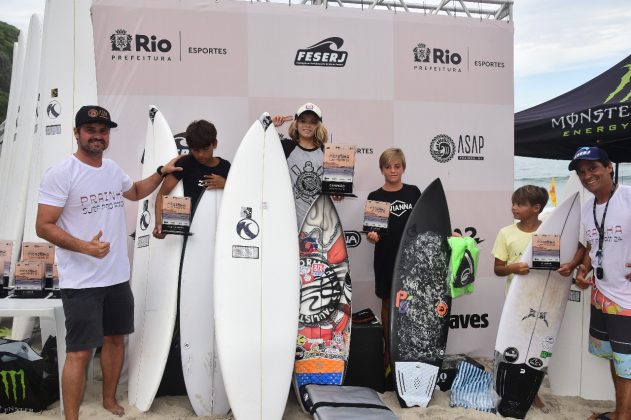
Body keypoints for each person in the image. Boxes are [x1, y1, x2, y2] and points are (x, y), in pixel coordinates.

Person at [35, 105, 181, 420]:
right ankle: (71, 417)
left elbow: (137, 192)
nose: (98, 136)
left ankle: (109, 399)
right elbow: (43, 225)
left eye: (103, 130)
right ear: (76, 133)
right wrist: (84, 247)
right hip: (82, 282)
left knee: (115, 340)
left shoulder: (113, 169)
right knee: (79, 353)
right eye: (90, 130)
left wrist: (161, 172)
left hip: (116, 277)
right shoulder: (61, 173)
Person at [491, 184, 584, 411]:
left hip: (546, 303)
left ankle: (534, 394)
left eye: (520, 204)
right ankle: (506, 391)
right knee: (514, 348)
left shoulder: (552, 233)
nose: (514, 208)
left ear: (536, 208)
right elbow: (498, 269)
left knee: (538, 350)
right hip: (517, 304)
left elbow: (581, 248)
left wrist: (571, 266)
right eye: (513, 203)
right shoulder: (506, 233)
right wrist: (514, 268)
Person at [570, 147, 631, 420]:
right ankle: (621, 412)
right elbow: (593, 246)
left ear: (609, 167)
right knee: (616, 361)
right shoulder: (588, 208)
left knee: (627, 365)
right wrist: (582, 270)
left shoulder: (628, 196)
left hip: (627, 300)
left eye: (593, 168)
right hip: (602, 296)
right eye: (582, 172)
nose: (587, 175)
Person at [365, 148, 421, 378]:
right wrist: (372, 236)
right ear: (382, 170)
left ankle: (406, 351)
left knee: (408, 304)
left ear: (403, 168)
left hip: (411, 259)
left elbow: (425, 221)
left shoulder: (414, 192)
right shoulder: (374, 196)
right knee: (388, 303)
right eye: (388, 167)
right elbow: (371, 230)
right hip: (386, 258)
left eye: (397, 166)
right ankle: (388, 353)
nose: (393, 170)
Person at [153, 119, 230, 239]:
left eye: (205, 149)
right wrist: (159, 224)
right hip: (188, 235)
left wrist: (226, 184)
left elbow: (237, 198)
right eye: (195, 150)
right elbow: (162, 195)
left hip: (217, 232)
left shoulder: (226, 167)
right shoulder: (184, 164)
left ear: (214, 143)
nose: (200, 155)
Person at [272, 102, 329, 228]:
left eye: (313, 122)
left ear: (318, 126)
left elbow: (334, 185)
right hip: (288, 221)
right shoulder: (285, 147)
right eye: (303, 121)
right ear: (296, 123)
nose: (307, 125)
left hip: (319, 223)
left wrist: (337, 193)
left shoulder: (326, 151)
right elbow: (259, 147)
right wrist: (271, 126)